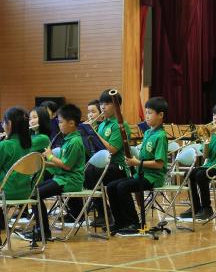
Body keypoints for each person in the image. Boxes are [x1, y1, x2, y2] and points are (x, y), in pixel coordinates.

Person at [22, 104, 85, 241]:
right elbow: (61, 165)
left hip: (70, 181)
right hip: (62, 178)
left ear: (72, 123)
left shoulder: (75, 141)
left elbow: (67, 166)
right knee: (34, 192)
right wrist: (44, 162)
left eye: (61, 122)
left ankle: (43, 231)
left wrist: (50, 156)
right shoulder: (68, 139)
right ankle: (41, 229)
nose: (59, 125)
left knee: (35, 194)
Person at [106, 97, 169, 234]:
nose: (146, 116)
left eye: (149, 113)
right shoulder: (147, 132)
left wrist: (137, 162)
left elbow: (159, 164)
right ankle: (120, 222)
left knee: (123, 187)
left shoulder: (161, 136)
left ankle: (134, 223)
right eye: (145, 112)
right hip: (141, 174)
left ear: (161, 115)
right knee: (111, 186)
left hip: (153, 177)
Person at [85, 89, 131, 227]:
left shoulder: (120, 125)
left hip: (118, 166)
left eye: (107, 103)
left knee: (91, 172)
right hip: (104, 165)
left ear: (116, 105)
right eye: (101, 103)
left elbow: (111, 150)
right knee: (85, 171)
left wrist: (93, 133)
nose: (103, 107)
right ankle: (103, 212)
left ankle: (105, 213)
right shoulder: (103, 124)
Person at [0, 107, 33, 229]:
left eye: (4, 122)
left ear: (10, 124)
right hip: (25, 192)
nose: (2, 125)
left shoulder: (5, 145)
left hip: (6, 193)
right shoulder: (27, 145)